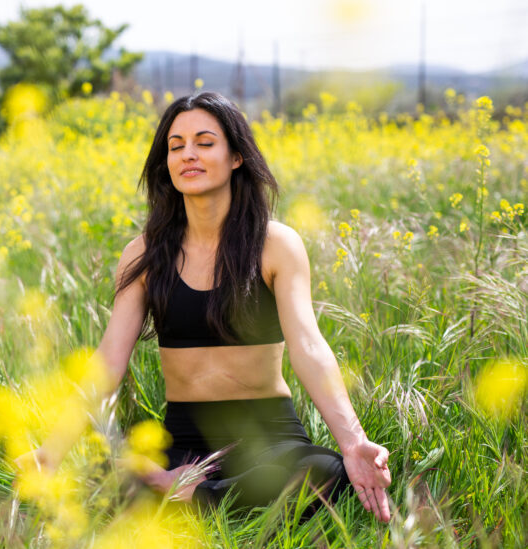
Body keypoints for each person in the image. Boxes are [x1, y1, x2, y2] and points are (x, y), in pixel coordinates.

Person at [23, 91, 392, 522]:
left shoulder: (276, 245)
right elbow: (107, 362)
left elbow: (308, 346)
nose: (188, 155)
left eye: (204, 142)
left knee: (326, 472)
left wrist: (353, 443)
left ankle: (189, 496)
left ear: (236, 156)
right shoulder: (143, 254)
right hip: (180, 440)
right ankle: (209, 496)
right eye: (175, 146)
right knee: (102, 480)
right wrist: (51, 451)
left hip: (267, 438)